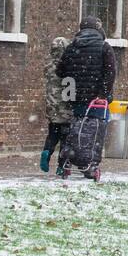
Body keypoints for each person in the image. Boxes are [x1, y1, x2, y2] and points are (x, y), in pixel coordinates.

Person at [56, 16, 118, 118]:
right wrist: (102, 95)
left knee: (80, 130)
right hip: (97, 102)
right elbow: (110, 73)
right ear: (98, 29)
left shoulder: (71, 48)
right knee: (97, 129)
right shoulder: (105, 47)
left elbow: (60, 72)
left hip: (76, 100)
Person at [40, 36, 73, 174]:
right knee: (66, 138)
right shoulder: (68, 67)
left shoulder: (48, 66)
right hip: (65, 109)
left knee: (52, 134)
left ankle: (47, 151)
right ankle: (61, 166)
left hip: (51, 107)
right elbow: (70, 88)